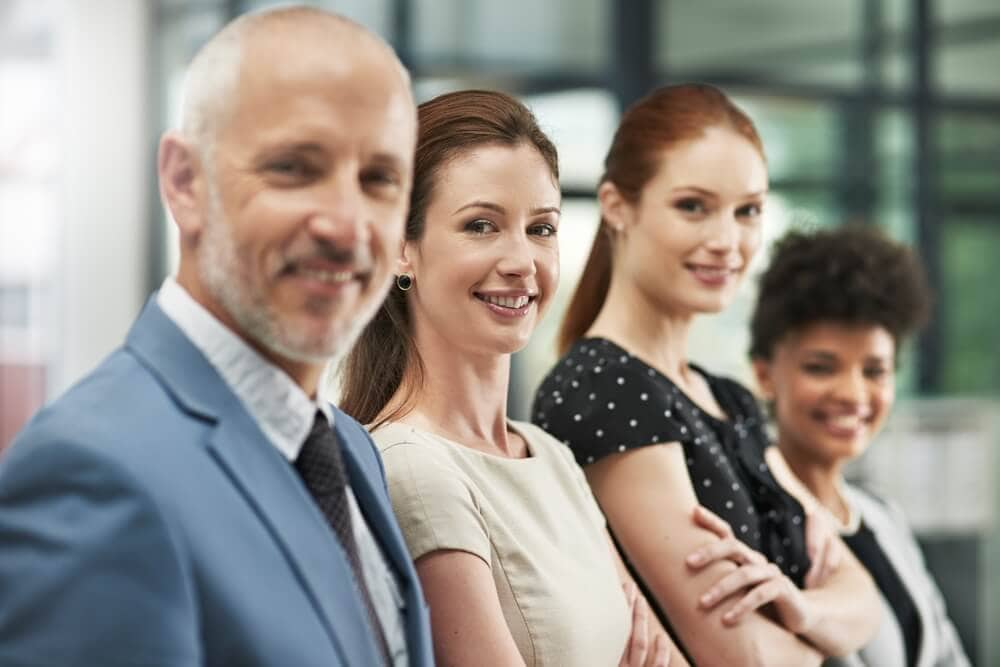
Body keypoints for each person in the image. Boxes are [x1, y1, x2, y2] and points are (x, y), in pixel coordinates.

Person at [0, 7, 432, 666]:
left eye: (379, 179)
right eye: (294, 167)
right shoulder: (93, 470)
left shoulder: (348, 448)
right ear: (184, 182)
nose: (347, 226)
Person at [532, 83, 882, 666]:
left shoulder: (728, 399)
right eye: (693, 206)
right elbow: (739, 654)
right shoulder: (603, 389)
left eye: (747, 211)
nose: (727, 242)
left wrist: (802, 610)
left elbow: (864, 598)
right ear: (618, 206)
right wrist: (826, 633)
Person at [340, 89, 684, 667]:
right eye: (481, 225)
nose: (522, 260)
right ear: (402, 246)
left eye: (541, 229)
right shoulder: (414, 467)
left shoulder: (551, 457)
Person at [749, 226, 971, 667]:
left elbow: (946, 654)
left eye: (875, 370)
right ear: (764, 375)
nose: (853, 393)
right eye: (821, 367)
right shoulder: (761, 524)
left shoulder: (882, 516)